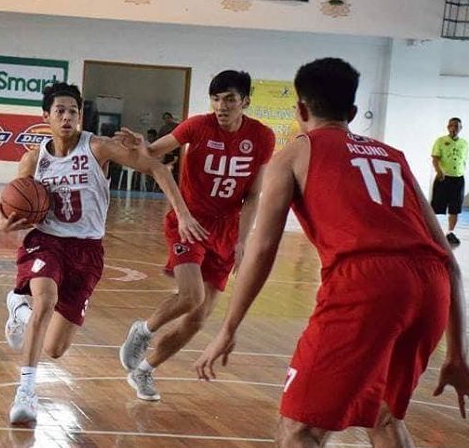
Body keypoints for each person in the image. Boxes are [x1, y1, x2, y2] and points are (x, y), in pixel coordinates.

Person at [195, 58, 469, 447]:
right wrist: (457, 354)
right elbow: (450, 263)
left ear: (301, 110)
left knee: (299, 428)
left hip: (367, 285)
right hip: (431, 287)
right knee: (382, 415)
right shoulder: (394, 156)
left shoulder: (293, 154)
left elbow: (262, 249)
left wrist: (228, 328)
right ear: (353, 112)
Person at [0, 82, 207, 425]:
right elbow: (9, 208)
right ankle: (26, 392)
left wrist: (183, 213)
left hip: (87, 250)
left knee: (55, 347)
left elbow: (155, 167)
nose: (67, 117)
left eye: (73, 112)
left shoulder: (98, 148)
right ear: (45, 117)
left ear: (81, 116)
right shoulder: (33, 159)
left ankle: (19, 311)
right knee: (46, 299)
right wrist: (7, 224)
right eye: (60, 111)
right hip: (45, 241)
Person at [117, 70, 275, 401]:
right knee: (191, 296)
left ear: (245, 101)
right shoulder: (197, 126)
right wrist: (142, 146)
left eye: (230, 99)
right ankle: (143, 331)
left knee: (196, 320)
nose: (221, 106)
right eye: (216, 99)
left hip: (226, 231)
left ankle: (144, 371)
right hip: (187, 221)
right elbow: (154, 153)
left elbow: (253, 196)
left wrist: (243, 240)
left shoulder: (262, 137)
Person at [431, 117, 467, 245]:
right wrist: (439, 171)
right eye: (451, 126)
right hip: (444, 178)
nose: (454, 128)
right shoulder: (441, 141)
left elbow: (464, 161)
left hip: (458, 179)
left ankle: (450, 232)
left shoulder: (464, 143)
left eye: (457, 126)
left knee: (455, 208)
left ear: (460, 128)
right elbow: (435, 159)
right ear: (448, 127)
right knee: (436, 207)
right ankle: (431, 232)